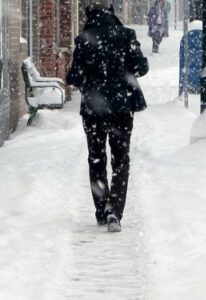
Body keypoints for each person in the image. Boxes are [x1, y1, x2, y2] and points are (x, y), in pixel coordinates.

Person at [66, 0, 149, 232]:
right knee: (121, 160)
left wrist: (88, 80)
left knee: (96, 158)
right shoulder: (126, 35)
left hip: (94, 110)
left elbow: (74, 77)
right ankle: (115, 210)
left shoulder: (84, 40)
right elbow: (141, 68)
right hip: (122, 109)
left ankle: (102, 211)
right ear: (112, 13)